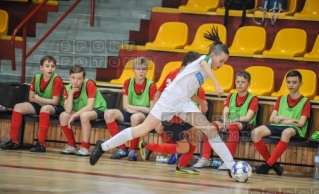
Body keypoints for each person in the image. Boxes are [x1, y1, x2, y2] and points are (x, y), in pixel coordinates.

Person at [90, 27, 235, 177]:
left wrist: (201, 102)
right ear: (212, 55)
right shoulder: (204, 60)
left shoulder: (203, 70)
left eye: (225, 62)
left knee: (210, 130)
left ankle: (232, 167)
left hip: (184, 103)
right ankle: (103, 146)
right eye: (221, 60)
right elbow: (205, 64)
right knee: (142, 130)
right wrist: (216, 83)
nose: (222, 64)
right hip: (169, 100)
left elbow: (188, 90)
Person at [149, 51, 207, 168]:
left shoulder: (174, 73)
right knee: (183, 147)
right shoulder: (182, 76)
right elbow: (188, 95)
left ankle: (182, 164)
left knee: (197, 135)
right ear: (190, 63)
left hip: (182, 115)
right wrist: (202, 103)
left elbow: (158, 94)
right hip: (172, 118)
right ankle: (147, 146)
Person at [193, 71, 259, 170]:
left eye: (243, 82)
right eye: (238, 82)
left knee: (233, 127)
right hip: (228, 121)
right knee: (210, 127)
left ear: (249, 84)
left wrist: (230, 122)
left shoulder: (253, 98)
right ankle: (205, 159)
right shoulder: (231, 96)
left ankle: (229, 161)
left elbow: (248, 117)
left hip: (244, 123)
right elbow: (225, 112)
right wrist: (225, 121)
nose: (240, 84)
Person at [252, 70, 311, 176]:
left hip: (294, 128)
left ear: (300, 84)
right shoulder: (281, 98)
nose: (291, 85)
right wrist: (288, 119)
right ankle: (273, 165)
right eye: (288, 82)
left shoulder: (305, 101)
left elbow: (301, 123)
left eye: (294, 82)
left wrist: (283, 118)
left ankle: (267, 165)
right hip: (277, 126)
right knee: (255, 132)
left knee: (286, 132)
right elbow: (272, 119)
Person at [1, 56, 64, 152]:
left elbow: (55, 101)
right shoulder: (36, 78)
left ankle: (41, 144)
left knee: (45, 109)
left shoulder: (57, 80)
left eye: (52, 66)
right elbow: (31, 98)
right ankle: (14, 141)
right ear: (41, 67)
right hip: (40, 103)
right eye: (47, 66)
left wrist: (38, 99)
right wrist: (38, 100)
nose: (50, 68)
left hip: (56, 107)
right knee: (18, 107)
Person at [104, 57, 157, 161]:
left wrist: (134, 109)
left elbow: (151, 109)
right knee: (108, 114)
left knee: (135, 118)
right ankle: (122, 148)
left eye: (143, 69)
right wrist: (141, 108)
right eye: (138, 68)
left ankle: (132, 151)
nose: (141, 71)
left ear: (147, 70)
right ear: (133, 70)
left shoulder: (151, 85)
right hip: (133, 111)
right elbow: (125, 105)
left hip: (143, 115)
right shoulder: (128, 82)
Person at [59, 65, 107, 156]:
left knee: (84, 115)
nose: (75, 81)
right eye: (73, 78)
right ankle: (72, 146)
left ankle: (85, 147)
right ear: (69, 77)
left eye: (79, 78)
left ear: (84, 79)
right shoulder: (68, 88)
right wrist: (71, 93)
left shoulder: (90, 84)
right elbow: (68, 110)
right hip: (81, 111)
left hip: (98, 110)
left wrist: (74, 115)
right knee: (63, 116)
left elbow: (89, 107)